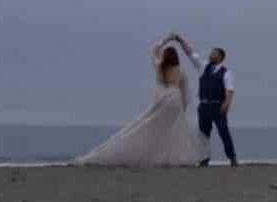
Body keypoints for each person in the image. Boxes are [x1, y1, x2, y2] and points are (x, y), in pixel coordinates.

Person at [74, 34, 209, 166]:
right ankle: (168, 157)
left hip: (161, 98)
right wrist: (184, 108)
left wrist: (167, 39)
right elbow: (184, 91)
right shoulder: (181, 71)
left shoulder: (159, 67)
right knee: (172, 130)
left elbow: (154, 49)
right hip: (175, 100)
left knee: (150, 125)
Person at [174, 33, 238, 167]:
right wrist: (180, 40)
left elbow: (229, 91)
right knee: (203, 135)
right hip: (203, 106)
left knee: (223, 132)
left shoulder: (226, 72)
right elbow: (190, 53)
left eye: (213, 53)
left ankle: (232, 158)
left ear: (220, 57)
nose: (210, 55)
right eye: (211, 53)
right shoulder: (203, 67)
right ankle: (204, 159)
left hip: (218, 106)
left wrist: (226, 105)